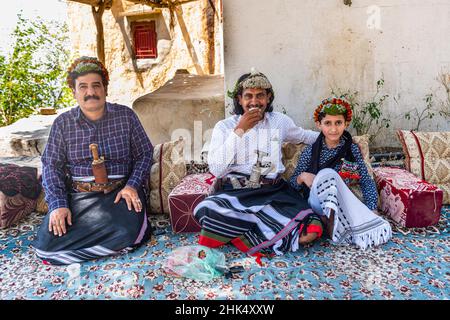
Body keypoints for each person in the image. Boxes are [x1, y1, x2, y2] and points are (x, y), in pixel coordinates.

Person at [193, 69, 323, 264]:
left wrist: (336, 137)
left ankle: (245, 230)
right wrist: (240, 130)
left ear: (268, 97)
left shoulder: (279, 121)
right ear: (239, 99)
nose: (254, 102)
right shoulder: (225, 127)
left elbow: (306, 136)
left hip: (274, 192)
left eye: (260, 95)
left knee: (312, 229)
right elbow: (217, 169)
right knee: (206, 209)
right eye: (248, 96)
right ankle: (262, 230)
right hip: (237, 192)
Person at [32, 56, 153, 265]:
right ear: (74, 92)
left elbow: (145, 153)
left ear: (105, 89)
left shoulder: (126, 116)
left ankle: (102, 244)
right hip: (80, 196)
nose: (90, 93)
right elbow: (51, 166)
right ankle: (107, 246)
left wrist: (132, 186)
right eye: (83, 87)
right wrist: (59, 205)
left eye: (96, 86)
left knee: (129, 234)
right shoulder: (63, 123)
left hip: (119, 194)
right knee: (46, 248)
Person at [289, 97, 392, 250]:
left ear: (346, 124)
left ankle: (336, 225)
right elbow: (291, 185)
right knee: (327, 174)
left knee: (330, 175)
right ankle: (330, 224)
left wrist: (372, 208)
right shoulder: (310, 152)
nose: (333, 129)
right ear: (319, 125)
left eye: (338, 123)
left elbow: (365, 179)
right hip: (316, 203)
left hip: (342, 201)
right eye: (327, 123)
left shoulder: (352, 149)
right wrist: (302, 177)